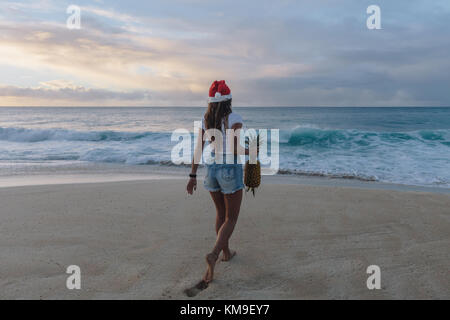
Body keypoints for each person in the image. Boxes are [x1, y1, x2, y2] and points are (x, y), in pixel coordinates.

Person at [186, 80, 250, 284]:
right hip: (229, 168)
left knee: (220, 214)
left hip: (211, 168)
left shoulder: (206, 119)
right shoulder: (234, 118)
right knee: (231, 218)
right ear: (229, 100)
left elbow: (198, 150)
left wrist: (192, 176)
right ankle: (214, 254)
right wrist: (254, 151)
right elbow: (235, 149)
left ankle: (227, 252)